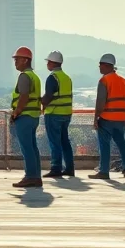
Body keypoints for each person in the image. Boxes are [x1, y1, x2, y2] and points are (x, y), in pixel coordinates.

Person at [90, 53, 125, 179]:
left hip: (107, 118)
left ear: (106, 65)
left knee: (104, 145)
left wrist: (96, 118)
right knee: (121, 143)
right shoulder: (123, 81)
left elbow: (100, 102)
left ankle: (104, 171)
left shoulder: (104, 81)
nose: (99, 67)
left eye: (100, 65)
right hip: (120, 118)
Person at [10, 46, 42, 188]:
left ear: (25, 60)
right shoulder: (34, 76)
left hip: (25, 116)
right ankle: (36, 176)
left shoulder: (24, 76)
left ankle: (30, 176)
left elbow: (24, 96)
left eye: (17, 59)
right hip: (34, 116)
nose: (15, 62)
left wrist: (16, 112)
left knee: (26, 148)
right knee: (32, 147)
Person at [41, 50, 75, 178]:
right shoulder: (67, 78)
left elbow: (48, 96)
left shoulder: (52, 77)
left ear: (52, 62)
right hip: (66, 114)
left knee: (54, 142)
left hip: (54, 113)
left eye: (48, 62)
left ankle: (56, 168)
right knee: (65, 141)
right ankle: (69, 168)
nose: (47, 64)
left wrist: (39, 101)